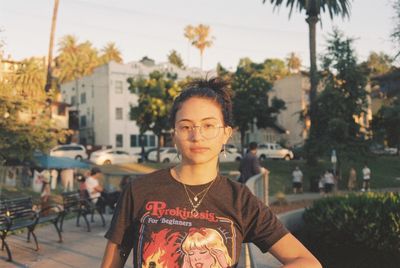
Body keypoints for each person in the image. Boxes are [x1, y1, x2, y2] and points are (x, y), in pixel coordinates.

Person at [101, 78, 321, 267]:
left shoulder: (241, 201)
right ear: (174, 134)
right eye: (186, 126)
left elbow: (307, 261)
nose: (197, 136)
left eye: (208, 126)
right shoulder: (139, 191)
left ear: (226, 134)